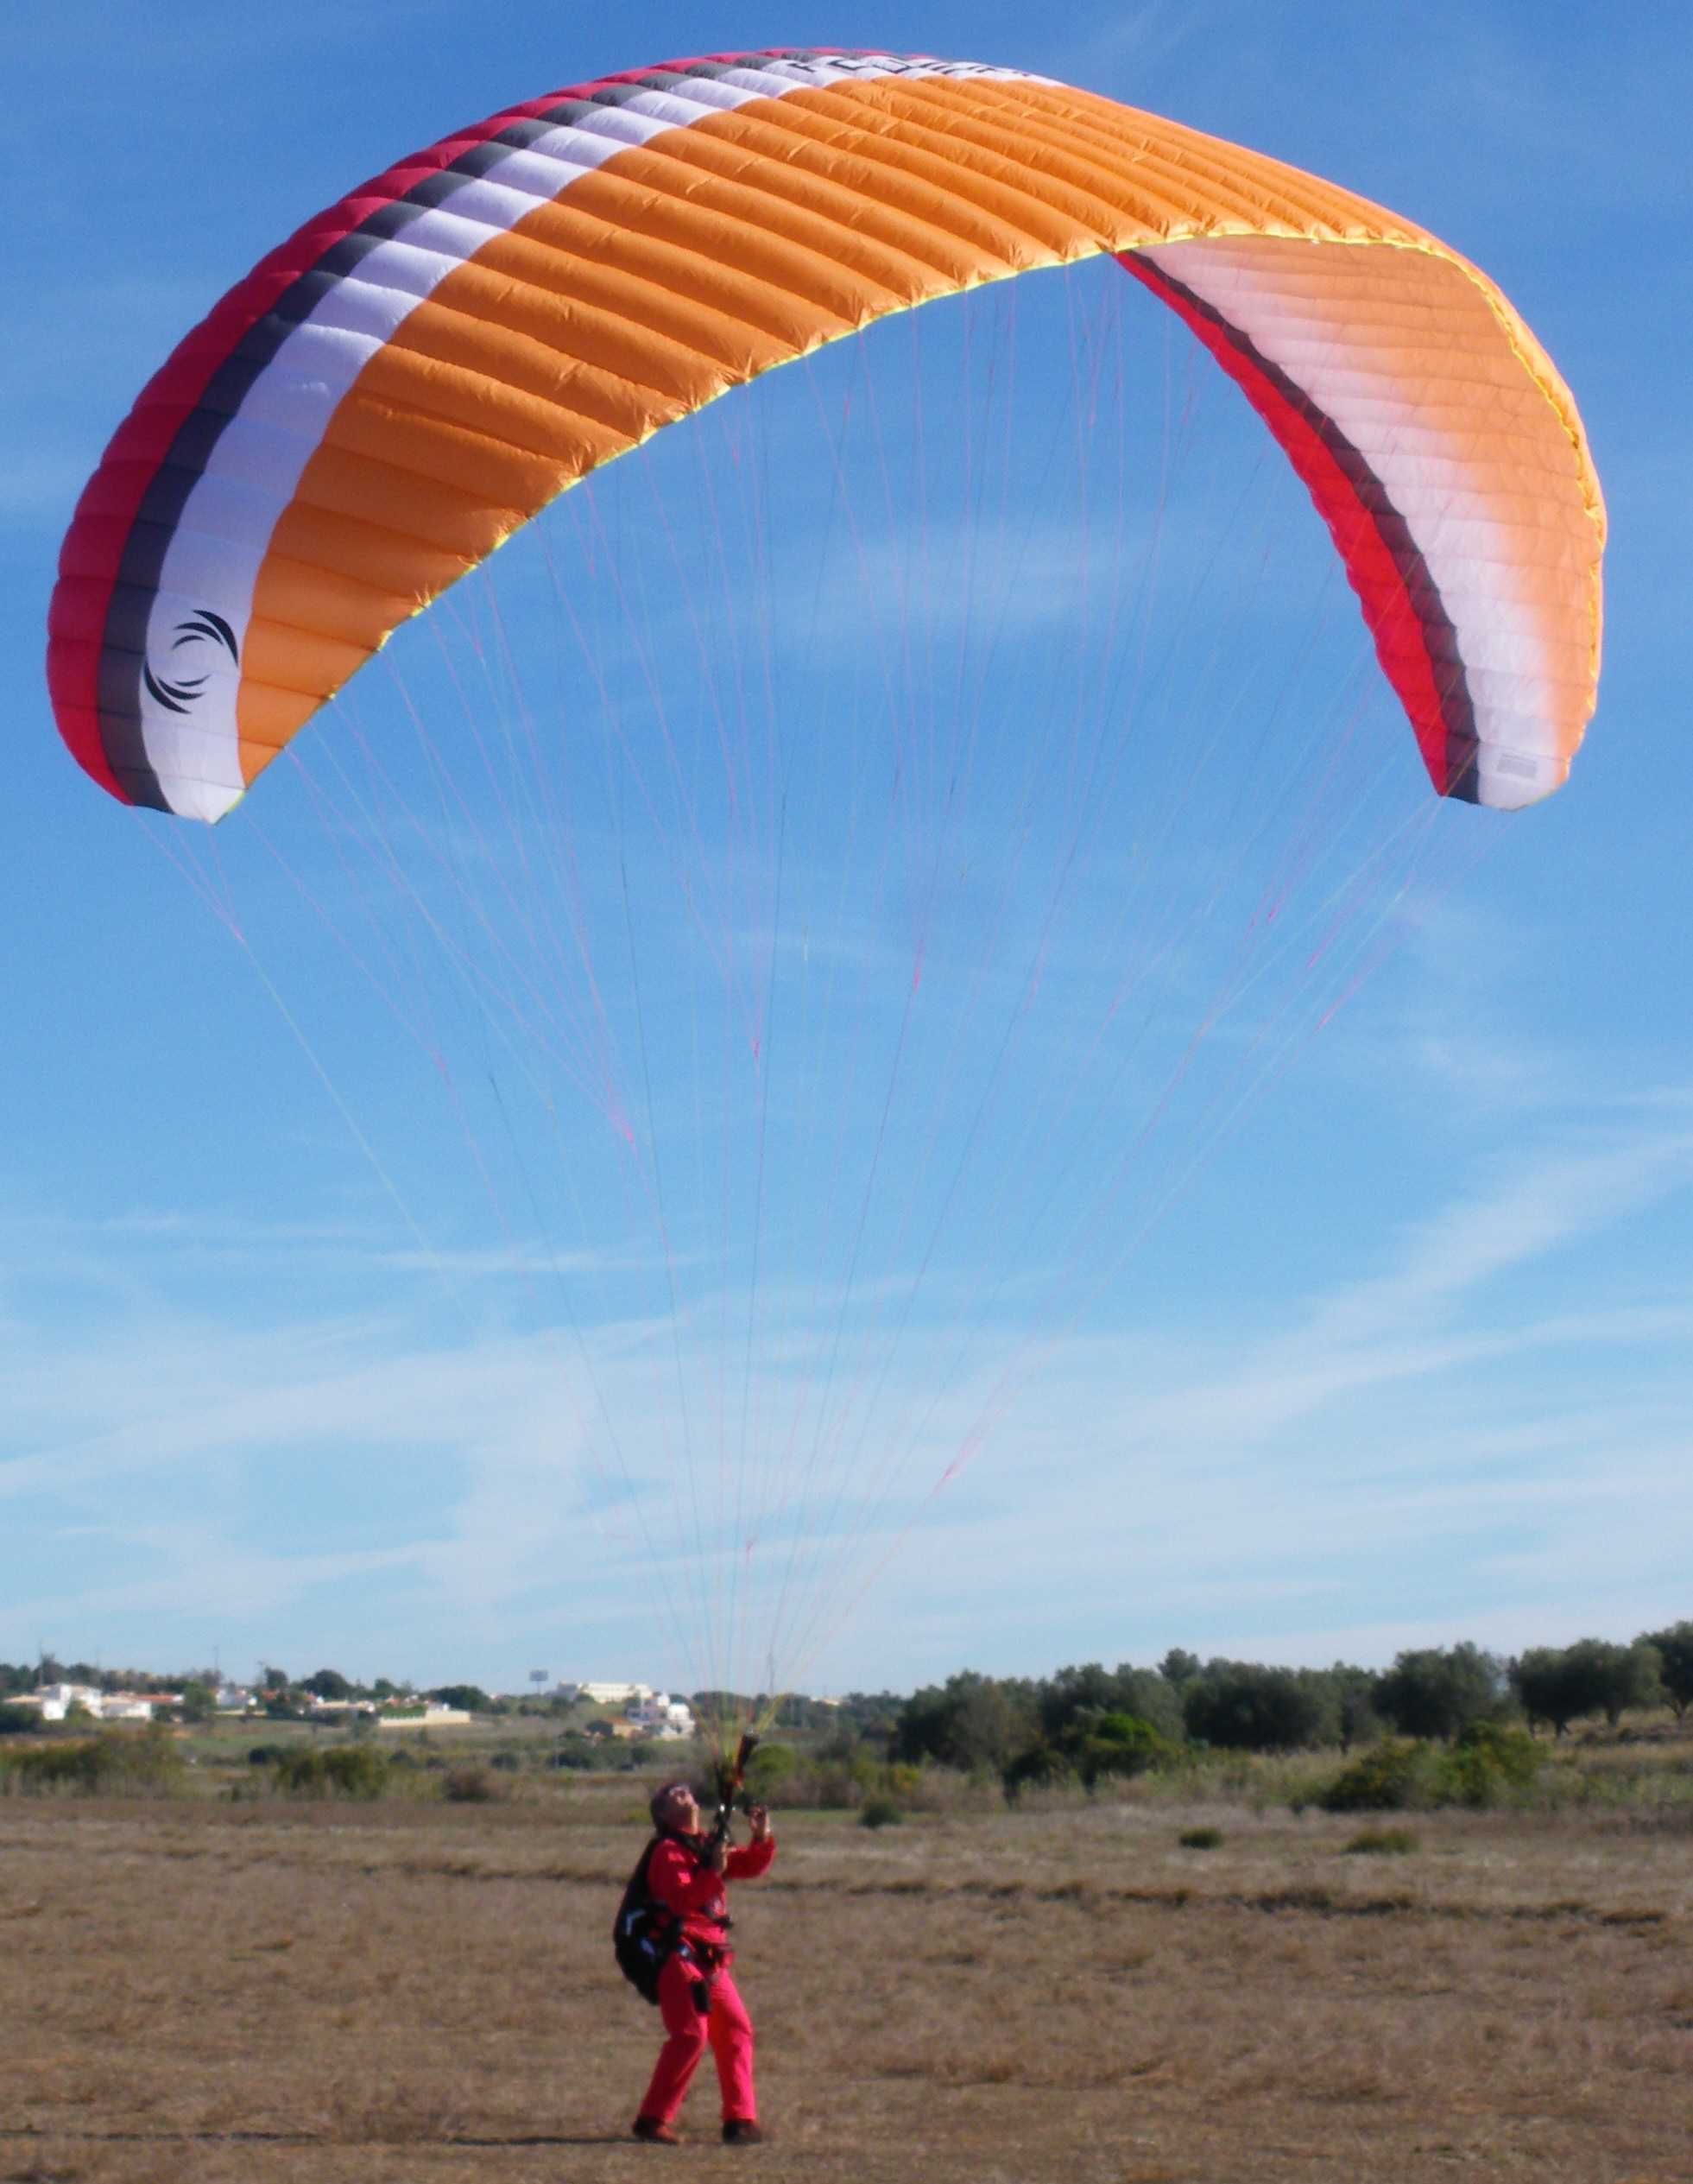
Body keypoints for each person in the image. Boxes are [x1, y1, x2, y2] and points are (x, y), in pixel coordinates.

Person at [632, 1778, 775, 2147]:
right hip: (678, 1955)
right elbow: (682, 1900)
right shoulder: (666, 1852)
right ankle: (653, 2119)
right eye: (672, 1794)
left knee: (736, 2030)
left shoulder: (704, 1847)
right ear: (663, 1814)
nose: (684, 1794)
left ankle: (740, 2122)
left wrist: (760, 1836)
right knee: (691, 2035)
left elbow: (749, 1866)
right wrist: (714, 1870)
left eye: (685, 1790)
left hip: (710, 1958)